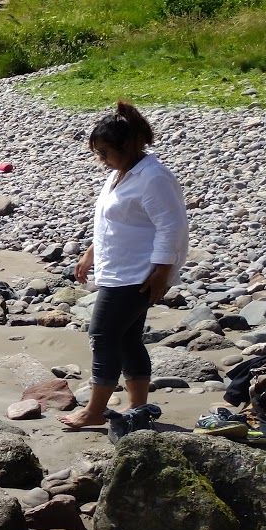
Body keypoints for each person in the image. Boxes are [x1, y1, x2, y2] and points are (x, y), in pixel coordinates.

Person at [60, 101, 190, 434]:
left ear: (127, 146)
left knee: (102, 336)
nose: (100, 160)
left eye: (105, 152)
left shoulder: (153, 177)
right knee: (128, 339)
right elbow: (111, 220)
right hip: (118, 269)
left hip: (139, 275)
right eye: (98, 153)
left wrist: (162, 271)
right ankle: (138, 407)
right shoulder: (121, 174)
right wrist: (90, 252)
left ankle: (94, 411)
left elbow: (171, 226)